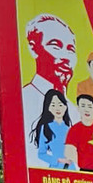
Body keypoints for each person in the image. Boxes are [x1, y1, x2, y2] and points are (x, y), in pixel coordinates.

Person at [21, 14, 76, 156]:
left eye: (71, 49)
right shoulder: (21, 101)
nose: (66, 56)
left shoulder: (77, 112)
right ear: (33, 48)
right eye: (55, 46)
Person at [63, 94, 93, 173]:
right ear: (78, 108)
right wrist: (85, 163)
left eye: (89, 106)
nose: (86, 110)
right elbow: (69, 152)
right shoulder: (74, 130)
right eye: (83, 106)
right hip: (86, 172)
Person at [28, 89, 72, 170]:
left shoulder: (69, 129)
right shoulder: (46, 127)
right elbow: (41, 154)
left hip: (71, 169)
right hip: (56, 169)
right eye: (53, 105)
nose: (57, 108)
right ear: (48, 108)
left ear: (65, 107)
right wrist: (58, 160)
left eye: (60, 105)